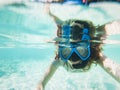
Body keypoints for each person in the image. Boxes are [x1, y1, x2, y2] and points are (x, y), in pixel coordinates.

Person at [37, 3, 120, 90]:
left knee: (61, 25)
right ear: (89, 50)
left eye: (67, 51)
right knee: (98, 30)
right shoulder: (94, 56)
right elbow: (111, 69)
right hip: (89, 29)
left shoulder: (61, 60)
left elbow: (46, 77)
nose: (73, 44)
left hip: (65, 26)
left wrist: (41, 83)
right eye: (81, 50)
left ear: (63, 51)